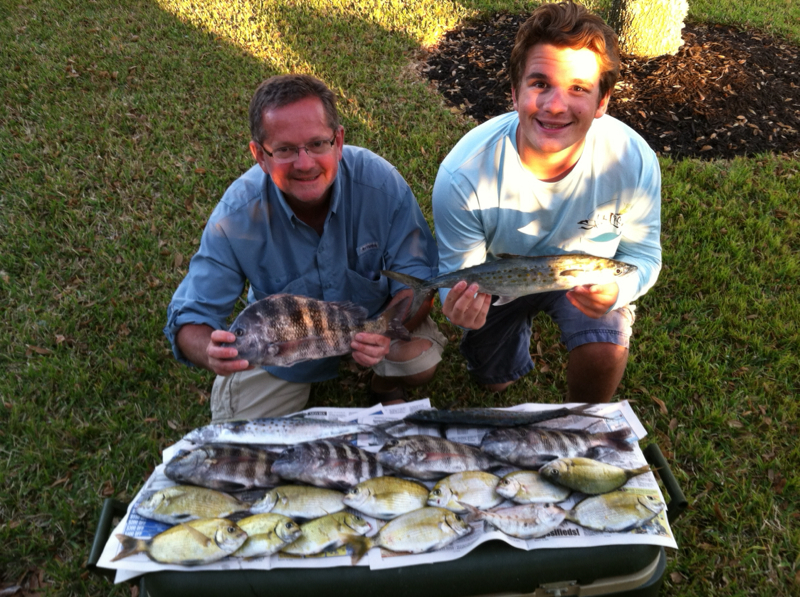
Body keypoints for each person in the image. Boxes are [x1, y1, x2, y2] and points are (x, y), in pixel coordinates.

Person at [165, 74, 446, 421]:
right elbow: (191, 316)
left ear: (338, 141)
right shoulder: (235, 216)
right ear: (260, 155)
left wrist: (383, 334)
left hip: (372, 320)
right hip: (280, 346)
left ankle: (384, 383)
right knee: (239, 425)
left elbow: (418, 280)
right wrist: (209, 351)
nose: (304, 163)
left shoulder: (381, 185)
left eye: (317, 143)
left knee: (420, 361)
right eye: (285, 149)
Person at [431, 1, 661, 403]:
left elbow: (643, 256)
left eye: (578, 88)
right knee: (494, 381)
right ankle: (504, 346)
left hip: (581, 277)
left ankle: (581, 419)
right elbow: (457, 274)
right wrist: (456, 304)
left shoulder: (632, 161)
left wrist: (617, 291)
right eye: (540, 83)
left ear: (602, 101)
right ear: (514, 92)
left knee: (604, 349)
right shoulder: (463, 175)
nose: (555, 106)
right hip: (501, 280)